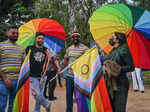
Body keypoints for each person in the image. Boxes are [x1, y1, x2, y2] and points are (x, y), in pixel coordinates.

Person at [103, 32, 134, 112]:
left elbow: (131, 67)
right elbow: (105, 60)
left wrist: (118, 69)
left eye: (112, 37)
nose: (111, 39)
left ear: (118, 39)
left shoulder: (124, 49)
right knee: (111, 108)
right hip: (110, 83)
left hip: (121, 84)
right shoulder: (113, 50)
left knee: (119, 109)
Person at [0, 26, 25, 112]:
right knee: (2, 104)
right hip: (3, 81)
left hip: (17, 81)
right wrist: (5, 79)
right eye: (13, 33)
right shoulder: (1, 46)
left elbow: (22, 65)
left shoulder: (21, 48)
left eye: (17, 33)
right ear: (7, 33)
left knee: (13, 104)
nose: (15, 35)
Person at [63, 32, 88, 112]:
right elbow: (66, 60)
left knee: (79, 97)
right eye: (73, 37)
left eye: (77, 36)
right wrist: (61, 69)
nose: (75, 38)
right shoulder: (69, 49)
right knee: (69, 95)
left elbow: (88, 60)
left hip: (80, 77)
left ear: (80, 38)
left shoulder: (85, 48)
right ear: (72, 38)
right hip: (69, 76)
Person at [25, 32, 51, 112]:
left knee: (40, 95)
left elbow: (47, 64)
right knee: (37, 94)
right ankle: (47, 104)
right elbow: (25, 61)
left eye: (42, 39)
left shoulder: (46, 50)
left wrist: (48, 56)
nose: (41, 40)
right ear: (35, 39)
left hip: (43, 75)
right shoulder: (29, 48)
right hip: (33, 76)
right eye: (39, 38)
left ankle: (37, 110)